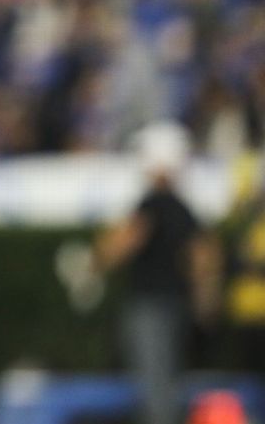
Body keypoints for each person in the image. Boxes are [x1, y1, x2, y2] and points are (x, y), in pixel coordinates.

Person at [94, 121, 221, 424]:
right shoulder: (182, 207)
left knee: (155, 387)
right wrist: (205, 299)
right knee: (167, 382)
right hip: (176, 304)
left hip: (150, 305)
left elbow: (124, 242)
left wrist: (96, 260)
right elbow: (204, 255)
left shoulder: (152, 204)